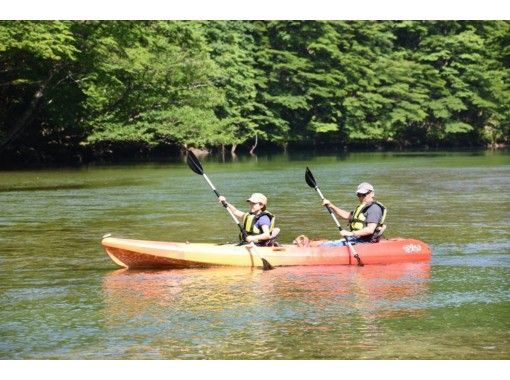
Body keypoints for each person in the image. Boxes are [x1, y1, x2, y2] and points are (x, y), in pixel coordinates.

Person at [320, 182, 387, 247]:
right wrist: (331, 206)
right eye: (359, 195)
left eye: (364, 194)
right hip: (356, 239)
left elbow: (370, 230)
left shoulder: (374, 209)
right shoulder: (363, 208)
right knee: (323, 244)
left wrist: (350, 233)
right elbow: (347, 215)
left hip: (365, 242)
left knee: (325, 246)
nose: (361, 197)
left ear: (372, 194)